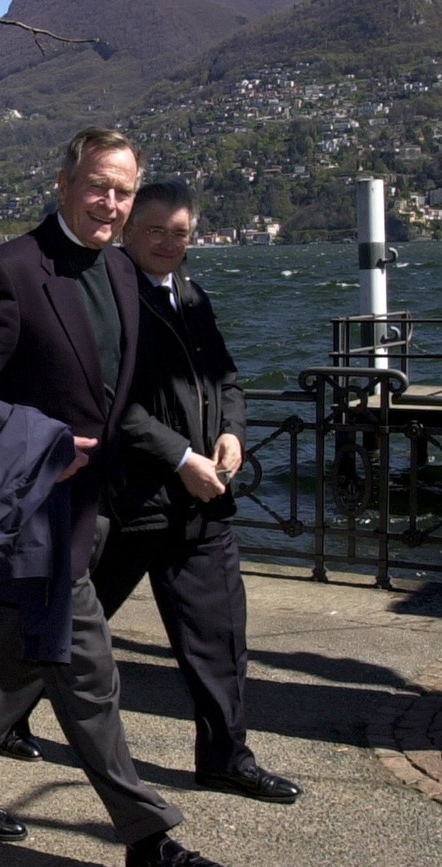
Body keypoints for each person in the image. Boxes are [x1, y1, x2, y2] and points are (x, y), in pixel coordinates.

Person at [0, 128, 226, 867]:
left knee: (19, 659)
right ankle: (147, 836)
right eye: (98, 186)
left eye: (123, 191)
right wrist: (41, 438)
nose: (111, 203)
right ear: (63, 184)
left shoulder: (122, 271)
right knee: (90, 676)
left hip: (95, 512)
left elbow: (117, 398)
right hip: (35, 513)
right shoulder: (12, 271)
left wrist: (196, 445)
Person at [101, 180, 302, 803]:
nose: (168, 243)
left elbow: (227, 378)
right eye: (155, 230)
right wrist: (180, 454)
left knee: (219, 638)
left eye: (180, 233)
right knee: (63, 625)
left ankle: (224, 756)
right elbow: (109, 403)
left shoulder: (191, 294)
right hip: (128, 502)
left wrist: (233, 435)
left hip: (201, 501)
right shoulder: (107, 297)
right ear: (129, 229)